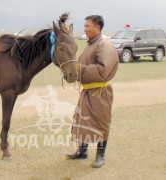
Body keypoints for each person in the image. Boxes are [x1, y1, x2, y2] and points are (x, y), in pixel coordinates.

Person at [66, 15, 119, 168]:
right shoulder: (91, 44)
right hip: (88, 91)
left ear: (98, 28)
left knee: (101, 122)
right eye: (85, 26)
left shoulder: (104, 45)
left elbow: (103, 71)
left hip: (100, 93)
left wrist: (80, 69)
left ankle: (100, 156)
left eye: (88, 26)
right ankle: (82, 151)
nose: (85, 29)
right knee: (83, 120)